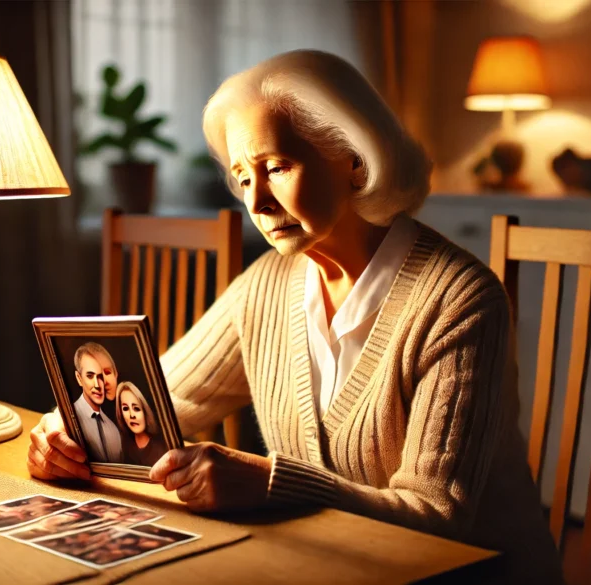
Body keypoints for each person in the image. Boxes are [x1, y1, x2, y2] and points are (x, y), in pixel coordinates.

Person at [28, 49, 562, 583]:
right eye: (242, 179)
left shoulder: (459, 300)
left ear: (355, 159)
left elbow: (437, 520)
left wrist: (269, 483)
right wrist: (64, 434)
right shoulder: (266, 284)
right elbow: (164, 398)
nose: (257, 202)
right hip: (320, 566)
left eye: (276, 167)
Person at [71, 343, 123, 463]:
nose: (97, 385)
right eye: (90, 376)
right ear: (79, 378)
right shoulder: (69, 419)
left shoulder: (114, 431)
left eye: (100, 377)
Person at [115, 381, 169, 467]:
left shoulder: (162, 448)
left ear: (145, 411)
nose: (132, 415)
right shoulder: (122, 445)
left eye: (136, 408)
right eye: (125, 408)